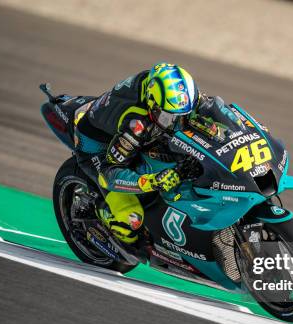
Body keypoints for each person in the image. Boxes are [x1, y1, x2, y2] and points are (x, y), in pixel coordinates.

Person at [74, 63, 199, 245]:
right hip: (96, 146)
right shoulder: (136, 125)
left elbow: (209, 108)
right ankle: (100, 214)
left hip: (120, 127)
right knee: (131, 220)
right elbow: (109, 173)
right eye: (169, 118)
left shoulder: (171, 91)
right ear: (152, 104)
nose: (178, 124)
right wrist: (152, 181)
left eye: (182, 116)